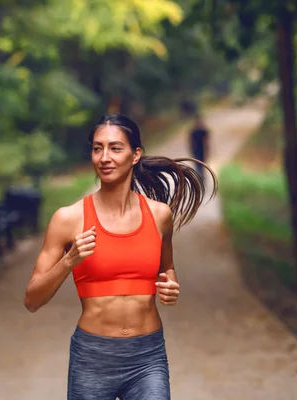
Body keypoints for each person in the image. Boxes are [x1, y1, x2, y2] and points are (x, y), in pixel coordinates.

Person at [23, 114, 217, 400]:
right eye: (97, 148)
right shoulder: (69, 219)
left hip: (147, 357)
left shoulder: (159, 215)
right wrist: (69, 260)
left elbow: (168, 269)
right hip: (92, 358)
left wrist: (171, 286)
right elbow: (32, 300)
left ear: (135, 154)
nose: (104, 157)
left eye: (115, 148)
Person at [189, 114, 210, 181]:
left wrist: (208, 150)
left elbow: (207, 142)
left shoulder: (203, 131)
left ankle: (201, 177)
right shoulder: (194, 131)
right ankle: (200, 177)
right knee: (198, 165)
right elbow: (191, 142)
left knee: (201, 165)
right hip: (196, 150)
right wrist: (191, 150)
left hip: (202, 150)